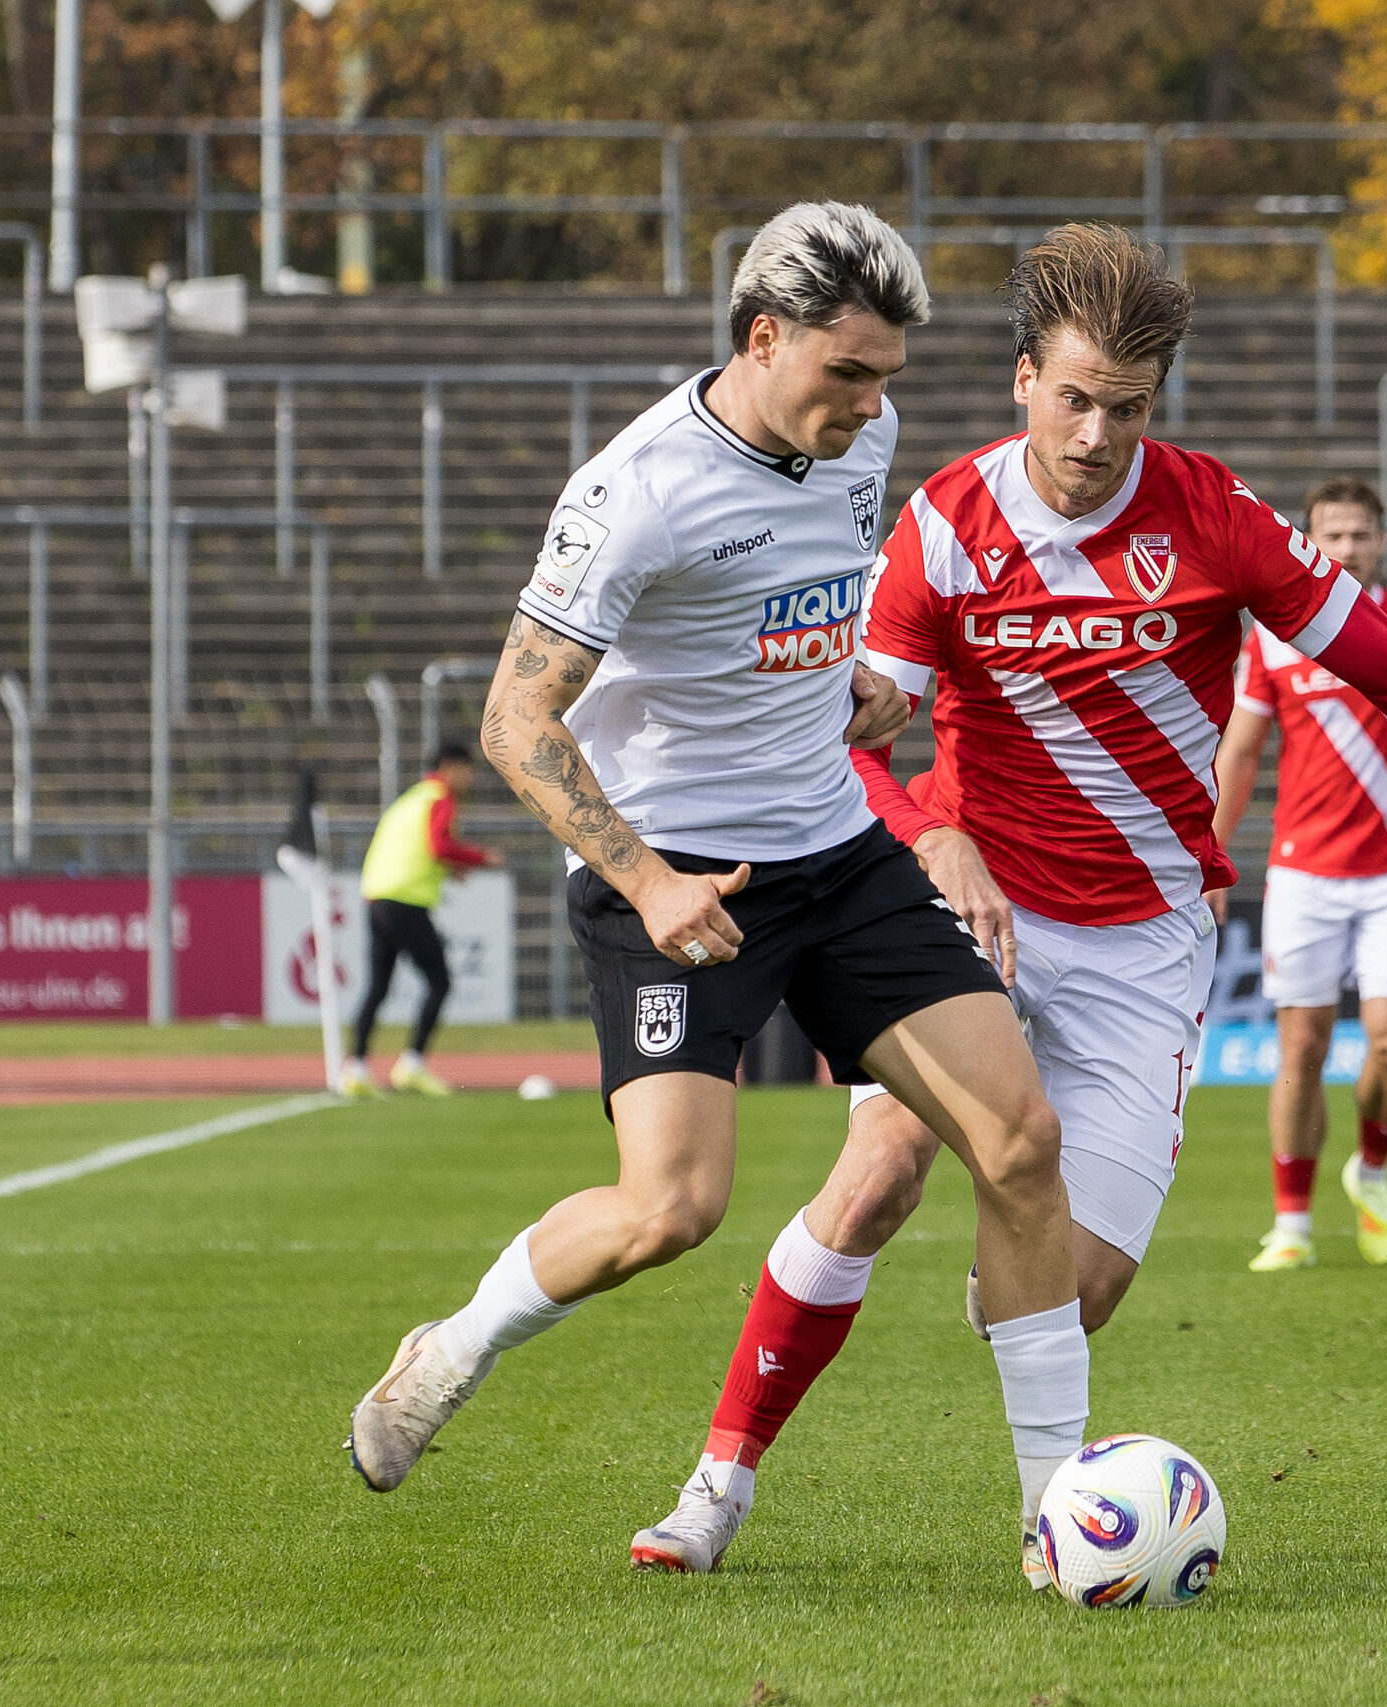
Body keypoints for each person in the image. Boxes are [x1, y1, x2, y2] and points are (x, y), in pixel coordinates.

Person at [677, 224, 1387, 1586]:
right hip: (973, 918)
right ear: (1021, 379)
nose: (1097, 433)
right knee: (878, 1171)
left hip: (1146, 937)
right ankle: (720, 1484)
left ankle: (1037, 1410)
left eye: (1128, 407)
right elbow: (851, 736)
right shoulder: (940, 524)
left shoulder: (1215, 517)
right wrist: (934, 834)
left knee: (1074, 1288)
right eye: (1074, 398)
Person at [343, 203, 1094, 1587]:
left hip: (840, 856)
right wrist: (644, 878)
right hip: (680, 883)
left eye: (886, 378)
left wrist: (848, 690)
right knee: (670, 1210)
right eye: (847, 372)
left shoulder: (858, 438)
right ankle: (449, 1349)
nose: (870, 405)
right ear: (762, 339)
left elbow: (797, 612)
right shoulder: (636, 493)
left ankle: (1060, 1520)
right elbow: (514, 719)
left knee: (1020, 1142)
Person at [1208, 474, 1387, 1272]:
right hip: (1304, 874)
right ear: (1310, 542)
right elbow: (1241, 751)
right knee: (1301, 1050)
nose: (1347, 548)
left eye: (1360, 534)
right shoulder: (1273, 634)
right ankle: (1291, 1223)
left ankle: (1373, 1171)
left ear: (1381, 542)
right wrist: (1212, 855)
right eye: (1332, 535)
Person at [338, 742, 501, 1100]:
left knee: (378, 987)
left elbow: (416, 848)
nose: (470, 779)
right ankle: (412, 1064)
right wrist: (478, 857)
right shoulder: (441, 797)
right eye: (467, 770)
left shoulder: (411, 799)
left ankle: (356, 1069)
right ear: (450, 767)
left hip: (378, 897)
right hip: (406, 901)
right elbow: (438, 845)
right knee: (439, 982)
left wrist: (450, 868)